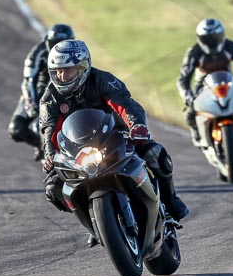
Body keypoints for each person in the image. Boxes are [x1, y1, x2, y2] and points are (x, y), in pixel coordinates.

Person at [40, 40, 189, 245]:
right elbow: (49, 129)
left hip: (115, 135)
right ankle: (96, 224)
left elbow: (124, 105)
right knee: (53, 187)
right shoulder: (50, 97)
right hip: (77, 150)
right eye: (57, 71)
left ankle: (171, 200)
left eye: (68, 70)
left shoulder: (103, 80)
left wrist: (137, 126)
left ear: (83, 67)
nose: (62, 76)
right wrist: (49, 153)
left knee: (154, 153)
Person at [177, 18, 233, 141]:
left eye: (214, 38)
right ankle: (197, 133)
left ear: (222, 36)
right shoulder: (193, 53)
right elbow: (183, 78)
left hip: (229, 81)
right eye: (207, 39)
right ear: (200, 38)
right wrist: (186, 95)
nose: (211, 42)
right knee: (190, 111)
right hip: (202, 84)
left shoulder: (232, 47)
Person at [8, 23, 75, 160]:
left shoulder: (77, 53)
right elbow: (28, 80)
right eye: (55, 43)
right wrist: (31, 101)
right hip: (38, 93)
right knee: (16, 129)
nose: (59, 48)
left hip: (66, 94)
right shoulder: (38, 52)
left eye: (63, 43)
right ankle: (39, 145)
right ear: (48, 41)